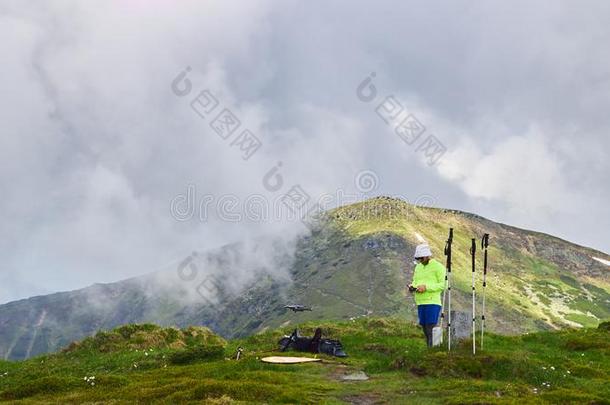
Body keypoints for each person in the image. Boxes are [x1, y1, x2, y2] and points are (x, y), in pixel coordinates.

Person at [409, 243, 446, 347]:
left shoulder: (438, 267)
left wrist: (426, 287)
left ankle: (434, 348)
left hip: (432, 301)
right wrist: (412, 286)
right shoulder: (418, 268)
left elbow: (444, 284)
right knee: (424, 327)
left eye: (421, 258)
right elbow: (415, 281)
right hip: (420, 301)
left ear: (426, 255)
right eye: (418, 259)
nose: (419, 260)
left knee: (431, 326)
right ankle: (430, 349)